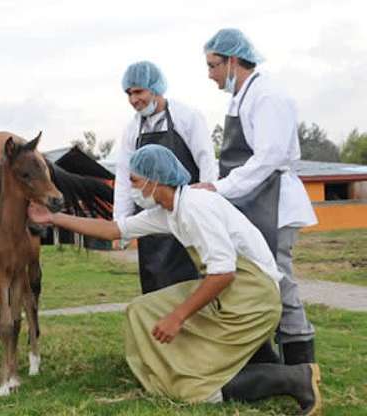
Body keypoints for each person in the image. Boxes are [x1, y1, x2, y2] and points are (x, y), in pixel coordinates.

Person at [28, 145, 322, 415]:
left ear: (155, 179)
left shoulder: (196, 207)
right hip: (233, 291)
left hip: (252, 298)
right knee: (142, 310)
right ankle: (175, 371)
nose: (131, 187)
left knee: (193, 388)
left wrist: (177, 317)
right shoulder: (170, 211)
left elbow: (223, 272)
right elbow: (115, 230)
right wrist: (53, 218)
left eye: (134, 179)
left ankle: (296, 377)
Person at [195, 28, 318, 365]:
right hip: (252, 202)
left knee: (280, 283)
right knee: (257, 282)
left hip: (274, 203)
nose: (210, 75)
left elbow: (269, 157)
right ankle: (266, 360)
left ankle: (301, 364)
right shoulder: (242, 96)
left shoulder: (267, 95)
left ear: (233, 60)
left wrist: (220, 188)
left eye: (213, 66)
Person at [115, 61, 218, 294]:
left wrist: (208, 208)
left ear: (155, 88)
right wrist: (121, 222)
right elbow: (123, 177)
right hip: (150, 221)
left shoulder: (187, 117)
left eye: (138, 91)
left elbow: (207, 164)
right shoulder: (132, 130)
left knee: (189, 286)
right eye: (129, 93)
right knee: (155, 286)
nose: (133, 100)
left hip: (186, 217)